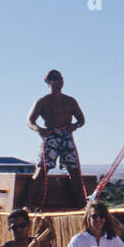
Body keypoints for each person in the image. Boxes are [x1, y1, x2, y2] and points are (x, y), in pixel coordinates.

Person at [27, 69, 87, 211]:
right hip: (51, 135)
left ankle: (81, 206)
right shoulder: (42, 102)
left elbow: (82, 119)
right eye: (54, 79)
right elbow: (30, 120)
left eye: (60, 78)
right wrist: (38, 129)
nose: (59, 81)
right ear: (48, 82)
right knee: (42, 170)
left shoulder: (70, 101)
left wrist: (75, 126)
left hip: (66, 135)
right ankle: (27, 205)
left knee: (74, 171)